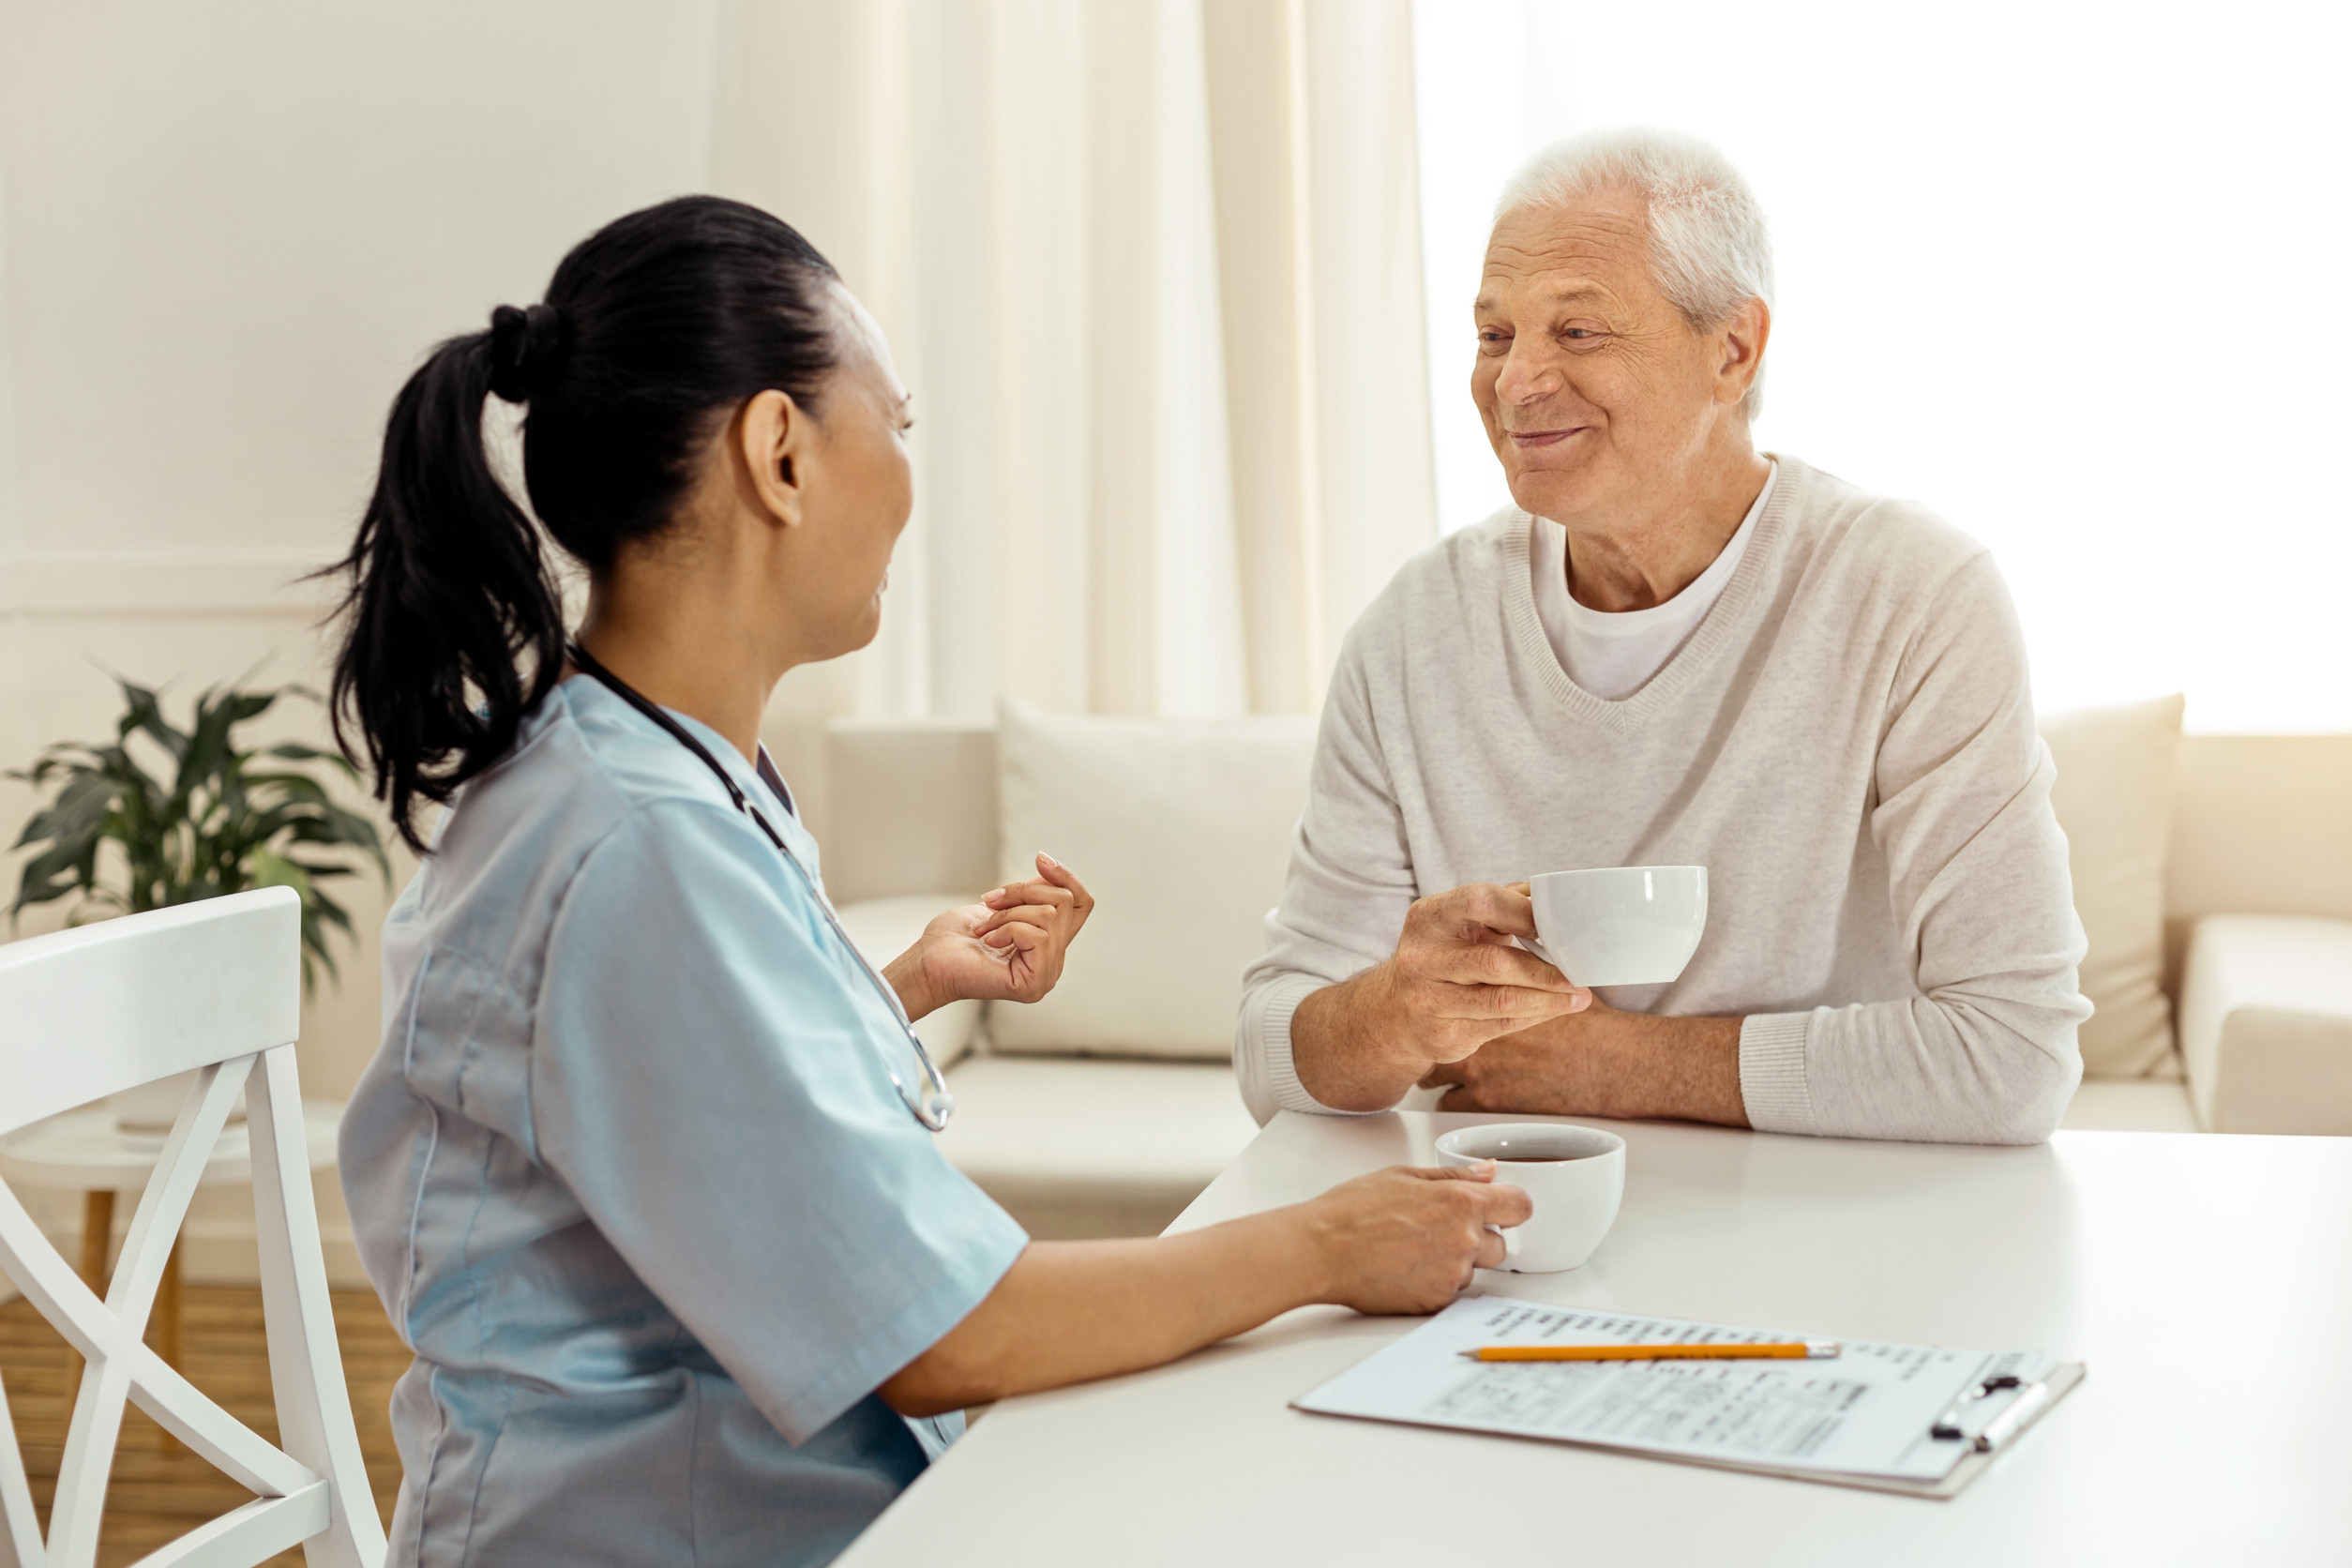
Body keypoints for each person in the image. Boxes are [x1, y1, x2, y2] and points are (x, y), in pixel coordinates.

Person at [330, 196, 1529, 1568]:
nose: (908, 476)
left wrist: (894, 990)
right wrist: (1323, 1247)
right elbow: (951, 1333)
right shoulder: (636, 841)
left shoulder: (639, 772)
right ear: (778, 453)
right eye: (895, 425)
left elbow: (669, 1095)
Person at [1235, 128, 2089, 1145]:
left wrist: (1617, 1066)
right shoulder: (1415, 631)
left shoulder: (1913, 596)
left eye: (1579, 332)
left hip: (1837, 1216)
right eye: (1496, 335)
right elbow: (1268, 1054)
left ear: (1732, 349)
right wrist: (1391, 1013)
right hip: (1511, 1226)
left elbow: (2014, 1058)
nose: (1516, 384)